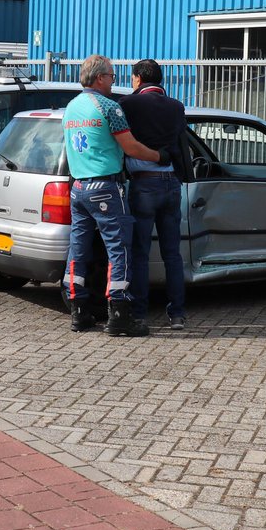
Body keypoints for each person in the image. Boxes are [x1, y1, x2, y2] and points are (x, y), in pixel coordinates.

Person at [62, 55, 168, 336]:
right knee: (119, 249)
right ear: (99, 78)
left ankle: (78, 311)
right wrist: (159, 155)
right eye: (111, 76)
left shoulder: (71, 108)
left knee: (78, 249)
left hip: (78, 189)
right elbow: (131, 147)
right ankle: (119, 315)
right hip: (105, 188)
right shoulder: (108, 107)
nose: (114, 81)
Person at [119, 59, 188, 333]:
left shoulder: (129, 104)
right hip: (172, 184)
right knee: (173, 253)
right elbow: (180, 143)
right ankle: (177, 315)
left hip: (143, 184)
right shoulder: (176, 106)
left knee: (140, 253)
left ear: (137, 78)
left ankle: (139, 314)